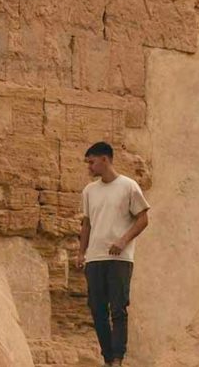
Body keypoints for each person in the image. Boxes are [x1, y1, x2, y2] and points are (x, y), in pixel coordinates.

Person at [76, 142, 151, 367]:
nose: (89, 167)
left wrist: (123, 240)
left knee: (118, 309)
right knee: (97, 310)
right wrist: (81, 253)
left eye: (91, 162)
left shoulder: (129, 186)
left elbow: (143, 219)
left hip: (120, 259)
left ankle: (118, 359)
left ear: (105, 160)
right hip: (95, 258)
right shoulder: (89, 191)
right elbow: (86, 225)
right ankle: (108, 359)